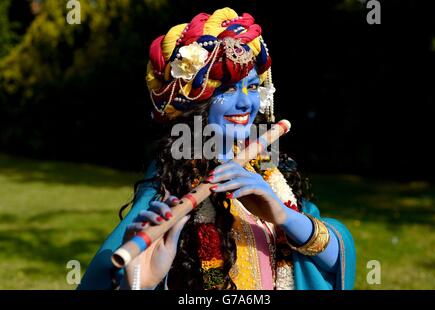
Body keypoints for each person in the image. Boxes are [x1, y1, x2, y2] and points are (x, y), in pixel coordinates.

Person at [78, 7, 356, 290]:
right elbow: (112, 278)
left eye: (251, 88)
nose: (245, 104)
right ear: (197, 103)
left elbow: (337, 260)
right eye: (229, 91)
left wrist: (283, 215)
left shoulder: (271, 169)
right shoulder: (171, 180)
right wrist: (139, 282)